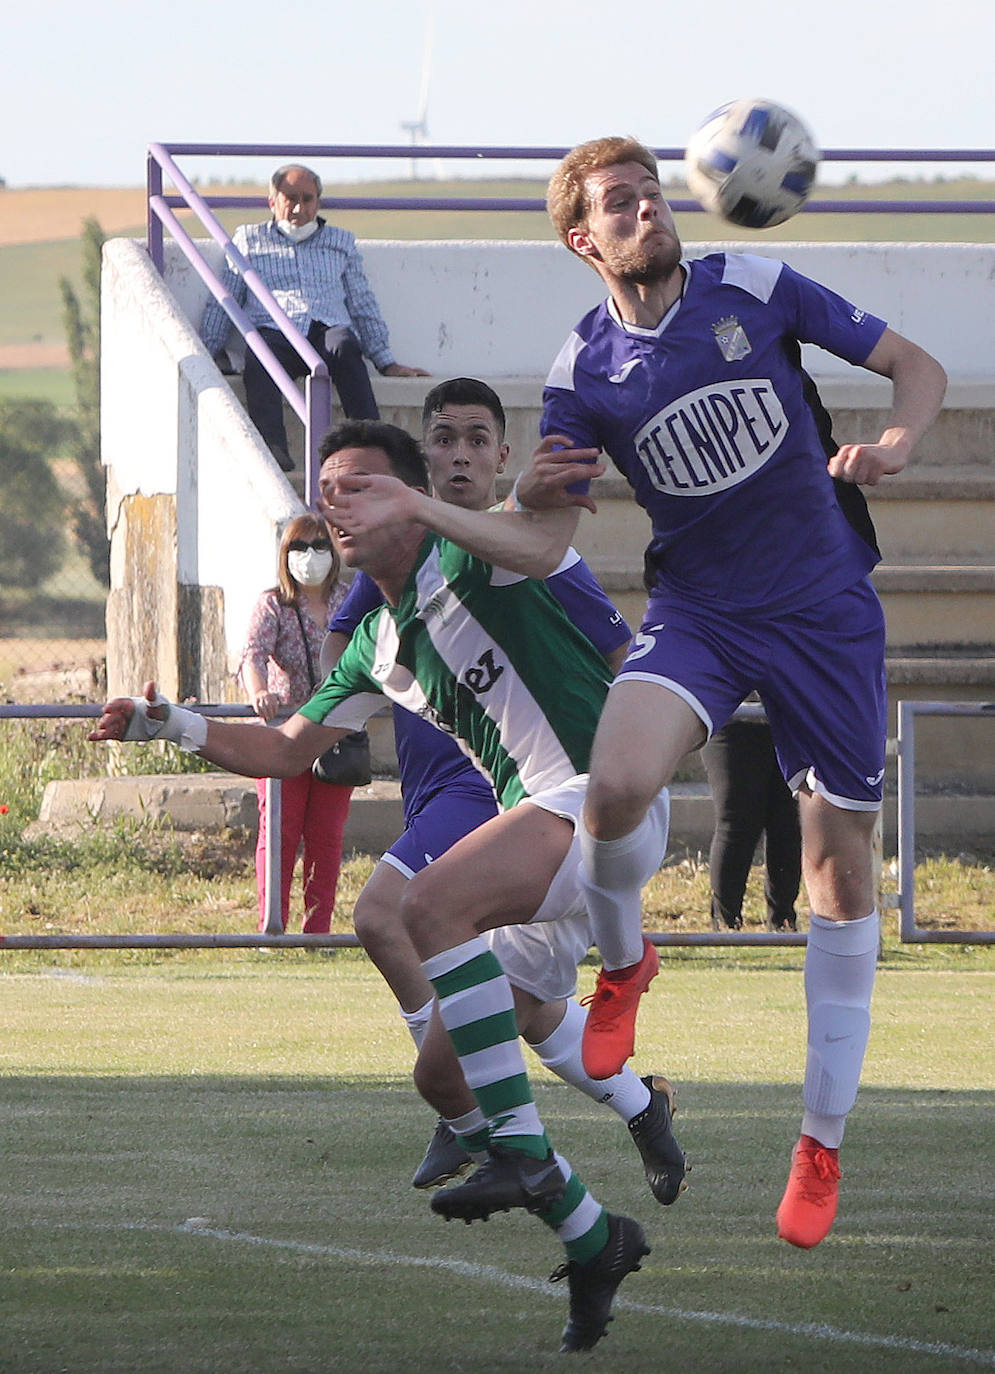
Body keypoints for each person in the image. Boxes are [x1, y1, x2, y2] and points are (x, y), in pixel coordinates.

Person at [89, 419, 672, 1353]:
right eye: (329, 488)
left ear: (412, 497)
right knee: (440, 1076)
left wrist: (538, 483)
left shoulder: (477, 557)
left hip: (607, 800)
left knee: (422, 907)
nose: (337, 503)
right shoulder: (373, 642)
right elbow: (285, 750)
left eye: (361, 486)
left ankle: (522, 1146)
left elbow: (532, 532)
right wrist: (169, 722)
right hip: (546, 836)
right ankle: (596, 1237)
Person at [485, 134, 944, 1251]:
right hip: (699, 613)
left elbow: (915, 368)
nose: (646, 208)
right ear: (581, 239)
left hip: (823, 605)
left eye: (651, 191)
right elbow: (540, 536)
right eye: (619, 202)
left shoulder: (754, 285)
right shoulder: (581, 371)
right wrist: (521, 485)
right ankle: (627, 965)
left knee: (837, 873)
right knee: (613, 786)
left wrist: (894, 441)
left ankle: (819, 1140)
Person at [326, 378, 686, 1206]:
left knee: (389, 912)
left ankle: (482, 1122)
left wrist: (639, 761)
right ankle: (629, 1123)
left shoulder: (518, 554)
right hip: (441, 782)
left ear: (500, 457)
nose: (459, 454)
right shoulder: (390, 552)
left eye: (476, 440)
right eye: (443, 439)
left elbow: (614, 655)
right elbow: (351, 653)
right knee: (505, 1022)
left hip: (508, 798)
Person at [199, 162, 428, 471]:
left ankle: (372, 448)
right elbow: (224, 298)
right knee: (260, 359)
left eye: (307, 199)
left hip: (326, 329)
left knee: (346, 347)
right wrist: (206, 350)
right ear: (273, 202)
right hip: (275, 331)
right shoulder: (249, 241)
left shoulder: (340, 242)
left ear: (317, 203)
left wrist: (386, 361)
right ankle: (274, 450)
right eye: (289, 197)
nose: (298, 207)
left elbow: (362, 303)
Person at [238, 513, 352, 933]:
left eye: (320, 546)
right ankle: (273, 926)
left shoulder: (350, 598)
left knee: (327, 835)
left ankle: (317, 930)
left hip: (337, 733)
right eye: (300, 548)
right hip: (285, 733)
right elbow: (252, 655)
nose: (310, 556)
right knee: (281, 832)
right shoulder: (274, 604)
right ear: (285, 555)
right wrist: (258, 693)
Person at [702, 712, 801, 931]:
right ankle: (726, 921)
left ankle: (783, 922)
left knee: (787, 824)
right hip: (732, 718)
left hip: (791, 719)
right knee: (737, 821)